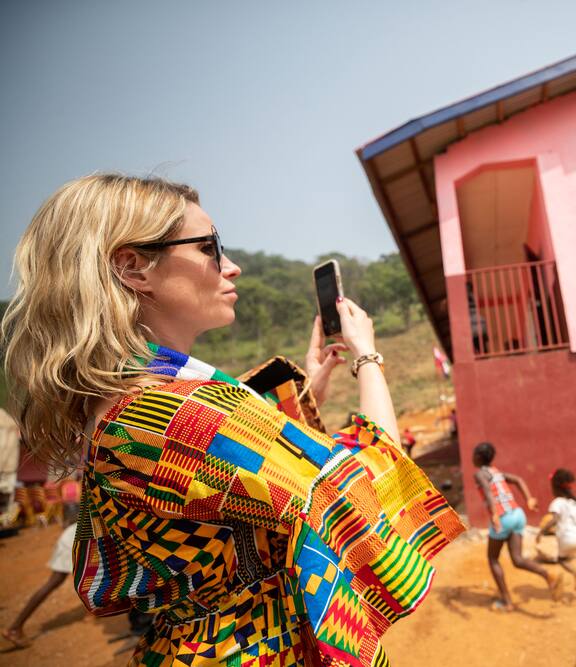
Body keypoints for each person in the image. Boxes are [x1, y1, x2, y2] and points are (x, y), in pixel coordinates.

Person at [1, 175, 464, 666]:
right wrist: (367, 357)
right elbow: (363, 490)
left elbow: (226, 474)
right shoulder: (170, 417)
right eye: (209, 247)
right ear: (133, 268)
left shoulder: (129, 403)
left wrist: (305, 386)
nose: (233, 267)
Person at [472, 441, 560, 611]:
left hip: (503, 517)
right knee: (517, 559)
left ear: (477, 457)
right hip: (517, 514)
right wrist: (529, 499)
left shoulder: (480, 474)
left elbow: (488, 492)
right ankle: (548, 575)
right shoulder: (496, 471)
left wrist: (495, 514)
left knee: (492, 559)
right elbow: (518, 479)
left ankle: (507, 602)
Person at [2, 520, 77, 648]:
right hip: (74, 541)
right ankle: (15, 628)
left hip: (73, 537)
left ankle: (15, 627)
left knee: (58, 580)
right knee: (55, 581)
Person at [539, 468, 576, 601]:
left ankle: (575, 573)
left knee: (561, 560)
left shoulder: (557, 503)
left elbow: (553, 519)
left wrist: (542, 531)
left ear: (555, 487)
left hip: (565, 537)